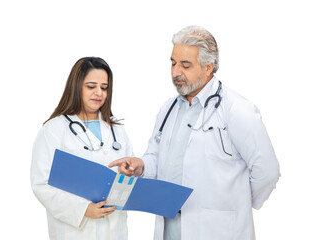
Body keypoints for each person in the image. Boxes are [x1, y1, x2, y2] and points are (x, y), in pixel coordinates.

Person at [109, 26, 280, 240]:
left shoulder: (237, 110)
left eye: (185, 65)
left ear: (208, 67)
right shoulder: (168, 109)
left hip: (218, 231)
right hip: (171, 229)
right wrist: (140, 165)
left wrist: (237, 206)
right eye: (173, 63)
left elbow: (267, 171)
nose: (175, 72)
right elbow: (157, 158)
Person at [31, 57, 133, 240]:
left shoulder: (117, 131)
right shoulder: (54, 130)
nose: (99, 93)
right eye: (91, 86)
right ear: (76, 86)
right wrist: (83, 209)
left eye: (104, 87)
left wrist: (128, 174)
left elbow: (129, 179)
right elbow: (41, 183)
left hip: (115, 230)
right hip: (75, 231)